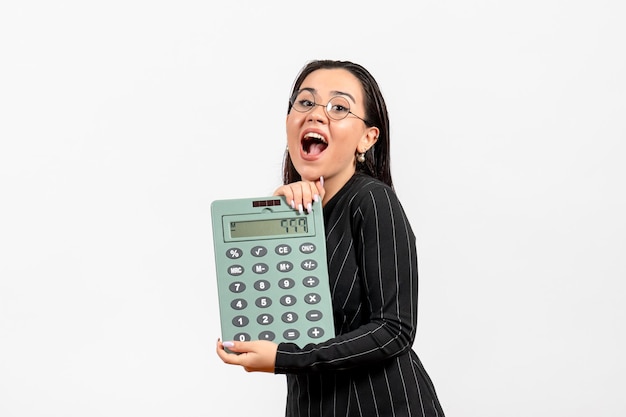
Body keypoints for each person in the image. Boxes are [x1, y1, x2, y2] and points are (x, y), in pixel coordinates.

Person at [216, 59, 445, 417]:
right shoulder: (299, 216)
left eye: (339, 107)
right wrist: (282, 224)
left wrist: (285, 357)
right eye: (305, 102)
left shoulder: (372, 200)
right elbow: (281, 316)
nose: (316, 115)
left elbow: (394, 329)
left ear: (367, 138)